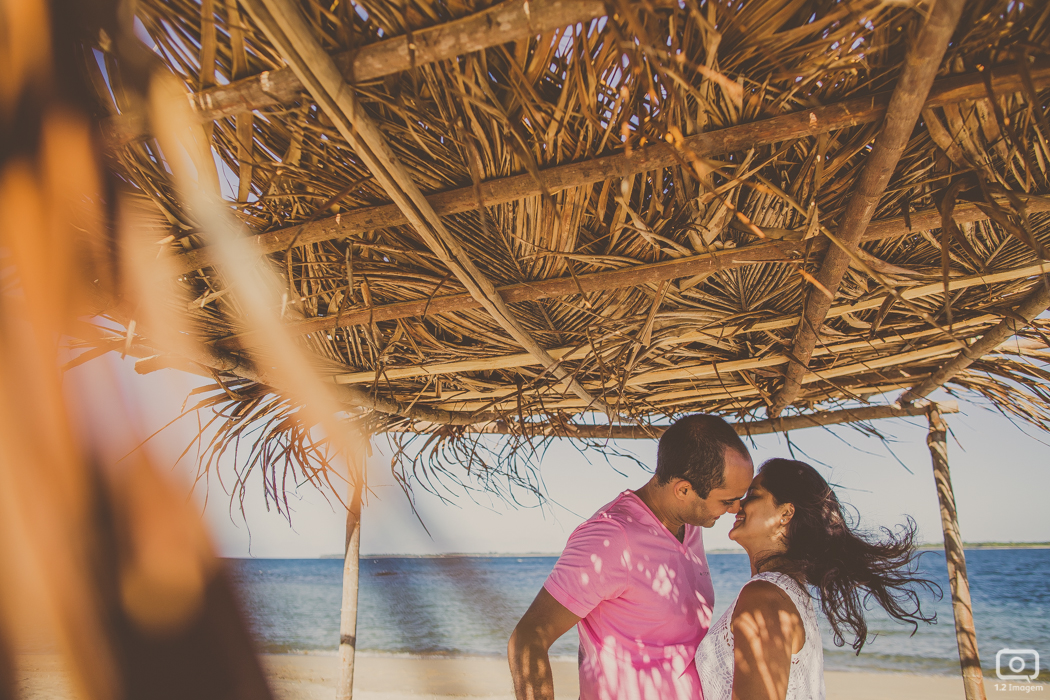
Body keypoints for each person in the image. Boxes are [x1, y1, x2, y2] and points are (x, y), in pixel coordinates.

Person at [508, 414, 755, 700]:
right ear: (684, 490)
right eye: (727, 500)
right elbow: (528, 638)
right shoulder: (610, 538)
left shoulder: (690, 525)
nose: (736, 509)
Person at [696, 458, 939, 700]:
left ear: (786, 513)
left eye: (753, 495)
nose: (737, 505)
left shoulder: (765, 596)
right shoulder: (788, 591)